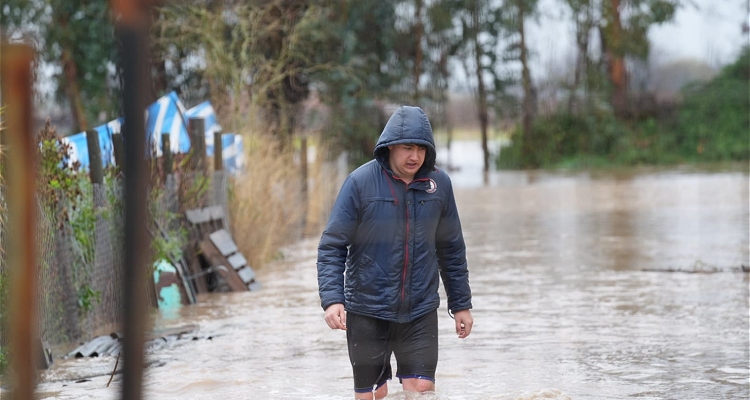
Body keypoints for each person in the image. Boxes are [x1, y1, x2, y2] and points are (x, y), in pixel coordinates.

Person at [317, 105, 473, 400]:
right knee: (372, 396)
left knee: (423, 391)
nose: (415, 156)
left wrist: (461, 303)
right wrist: (332, 300)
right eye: (408, 148)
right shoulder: (359, 183)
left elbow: (451, 249)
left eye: (422, 149)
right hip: (367, 310)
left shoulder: (438, 185)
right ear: (389, 147)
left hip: (420, 310)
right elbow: (332, 245)